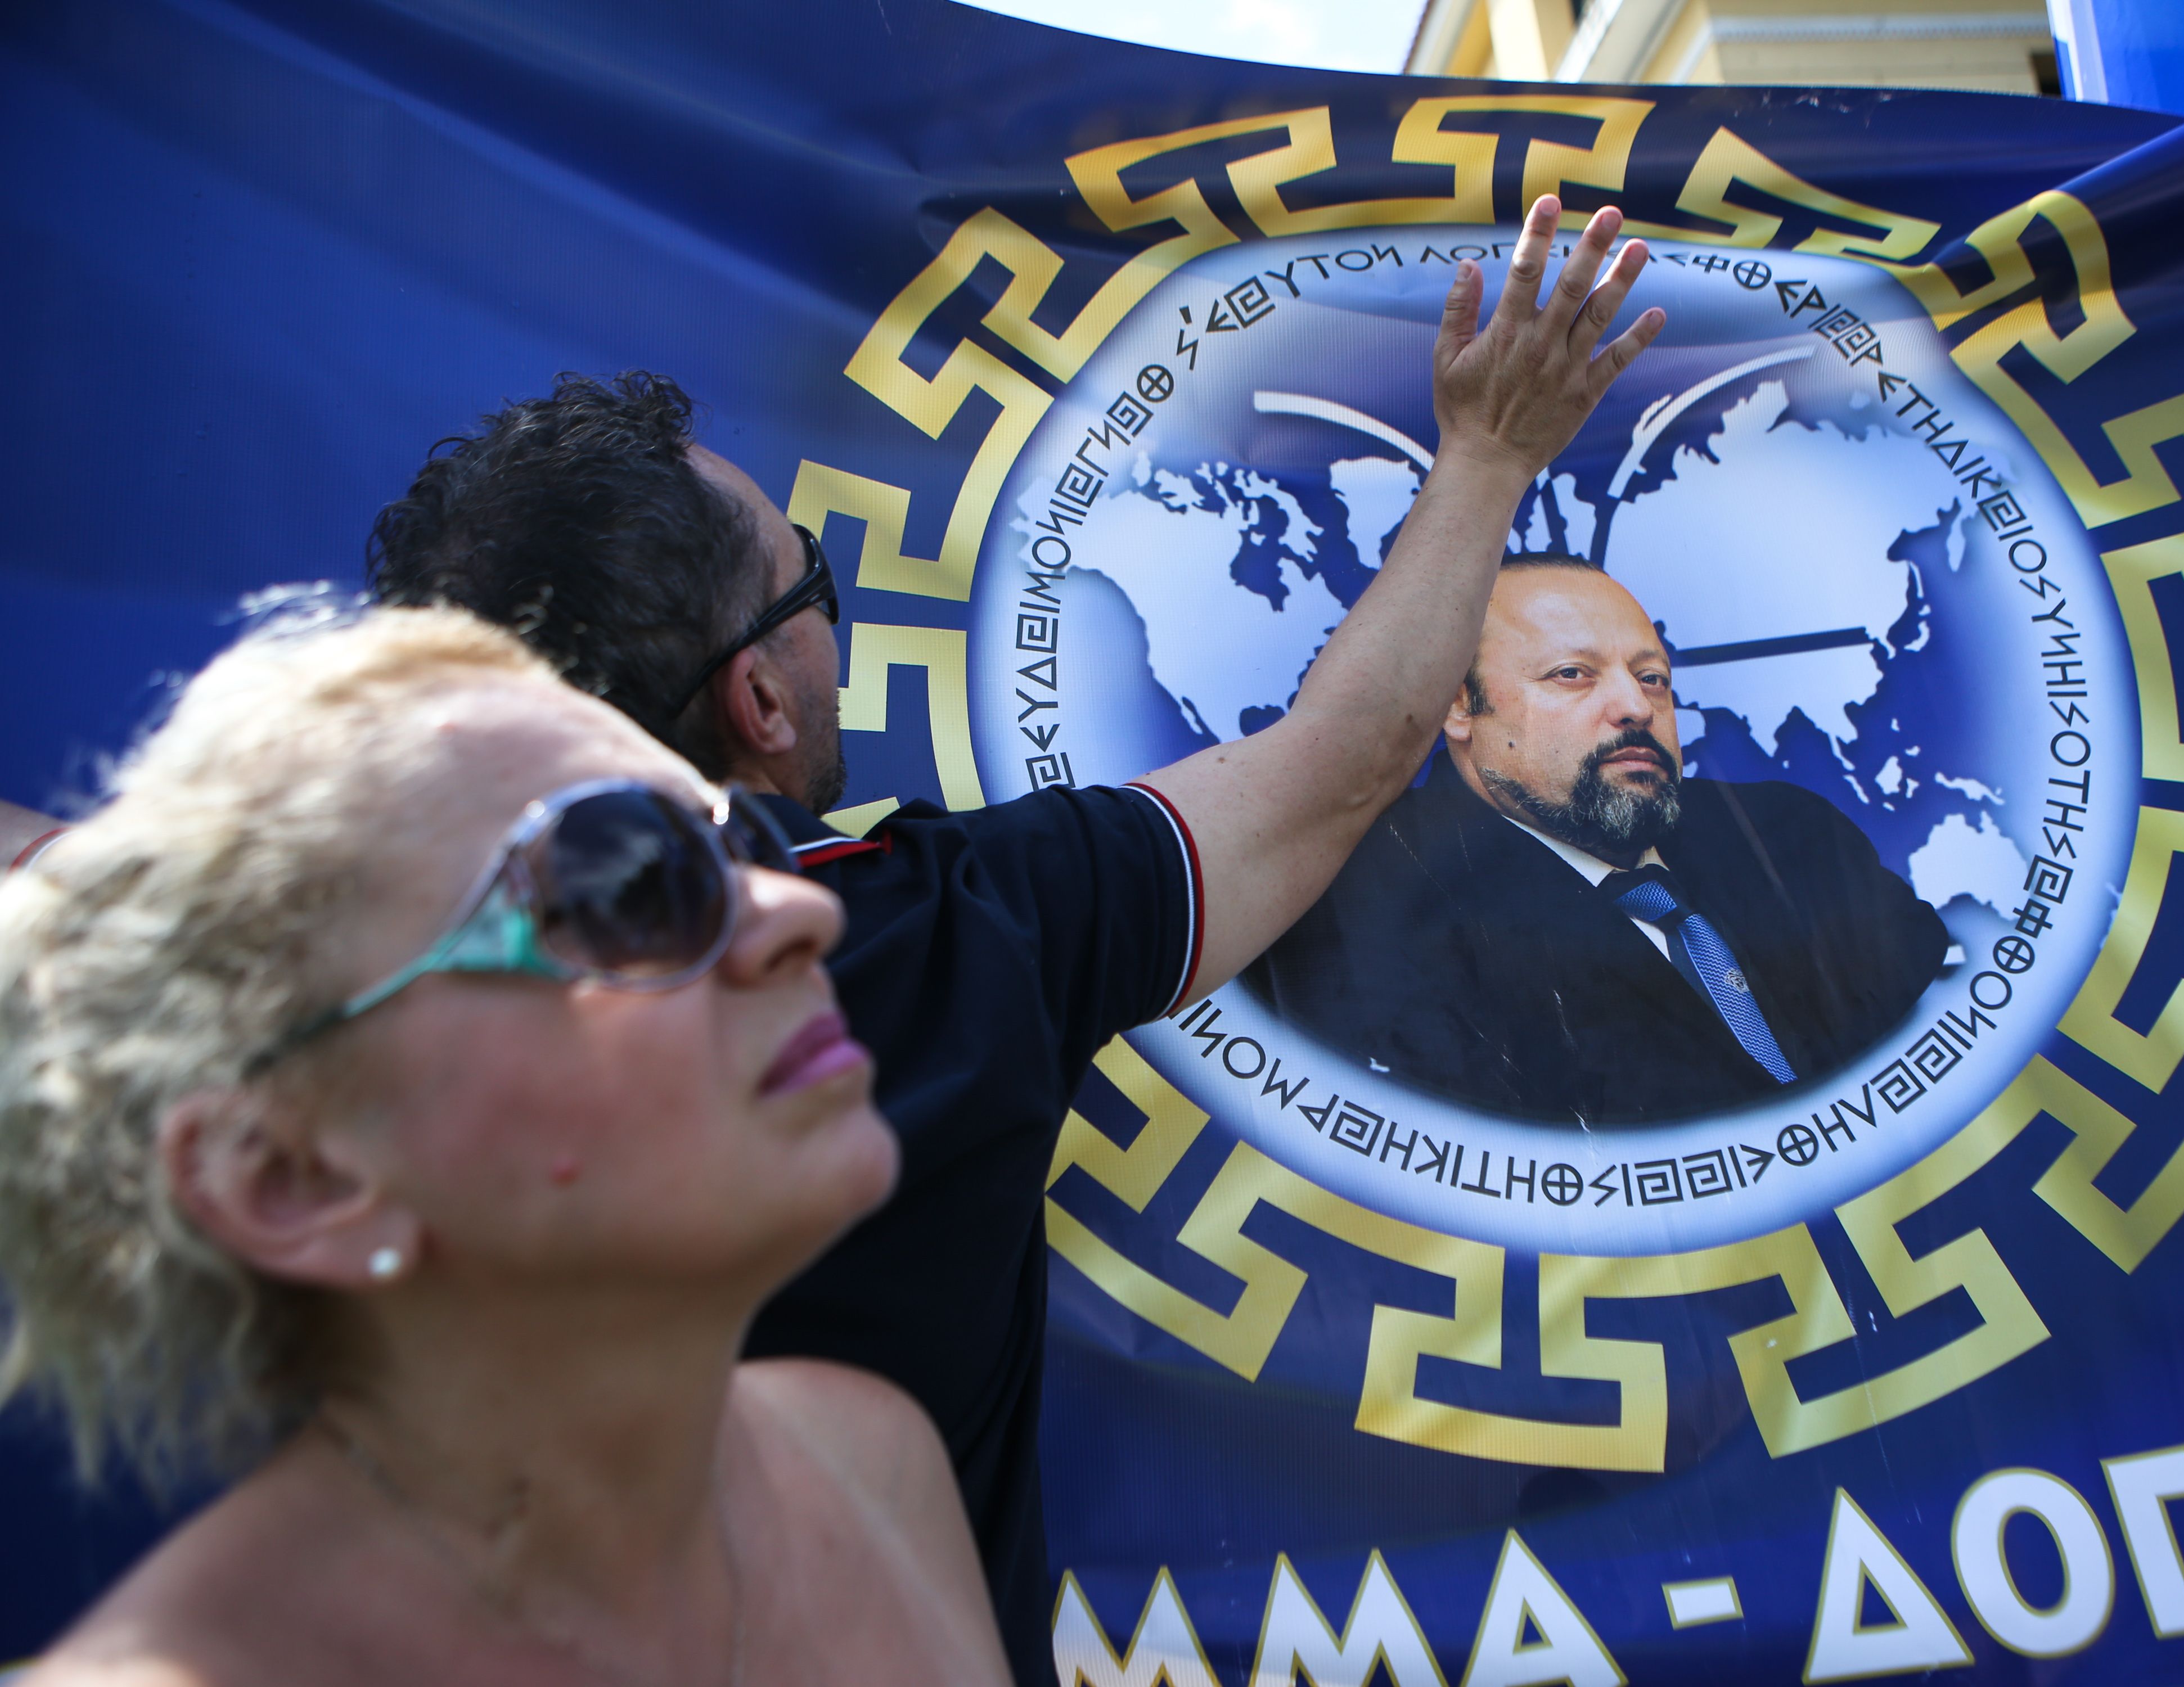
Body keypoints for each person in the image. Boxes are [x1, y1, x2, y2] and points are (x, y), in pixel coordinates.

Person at [345, 196, 1663, 1679]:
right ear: (757, 702)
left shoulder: (311, 1014)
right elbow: (1339, 767)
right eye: (810, 588)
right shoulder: (919, 936)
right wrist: (1488, 456)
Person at [0, 605, 1011, 1685]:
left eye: (739, 846)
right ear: (293, 1178)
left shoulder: (875, 1462)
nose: (799, 915)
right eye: (625, 882)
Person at [1244, 554, 1951, 1126]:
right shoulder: (1371, 906)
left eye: (1653, 679)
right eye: (1572, 675)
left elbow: (1923, 1040)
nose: (1636, 707)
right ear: (1458, 706)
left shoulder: (1793, 836)